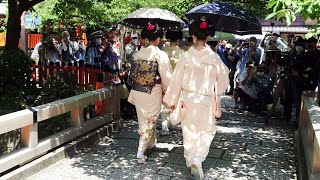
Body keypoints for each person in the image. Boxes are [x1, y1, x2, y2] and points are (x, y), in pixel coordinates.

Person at [163, 17, 229, 179]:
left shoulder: (186, 56)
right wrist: (217, 91)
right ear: (207, 37)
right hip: (206, 100)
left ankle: (190, 159)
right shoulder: (214, 58)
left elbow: (176, 79)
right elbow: (224, 76)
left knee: (189, 131)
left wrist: (172, 100)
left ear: (192, 37)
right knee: (207, 131)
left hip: (188, 98)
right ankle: (198, 158)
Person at [127, 22, 172, 164]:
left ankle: (150, 143)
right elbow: (166, 77)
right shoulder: (160, 54)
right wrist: (168, 91)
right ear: (158, 38)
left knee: (143, 118)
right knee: (150, 120)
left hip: (137, 90)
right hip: (152, 90)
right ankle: (140, 152)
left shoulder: (138, 53)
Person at [160, 30, 184, 135]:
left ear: (168, 39)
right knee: (175, 101)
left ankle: (164, 124)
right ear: (178, 40)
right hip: (177, 81)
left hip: (163, 80)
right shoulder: (182, 53)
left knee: (164, 102)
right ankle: (174, 122)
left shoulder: (162, 51)